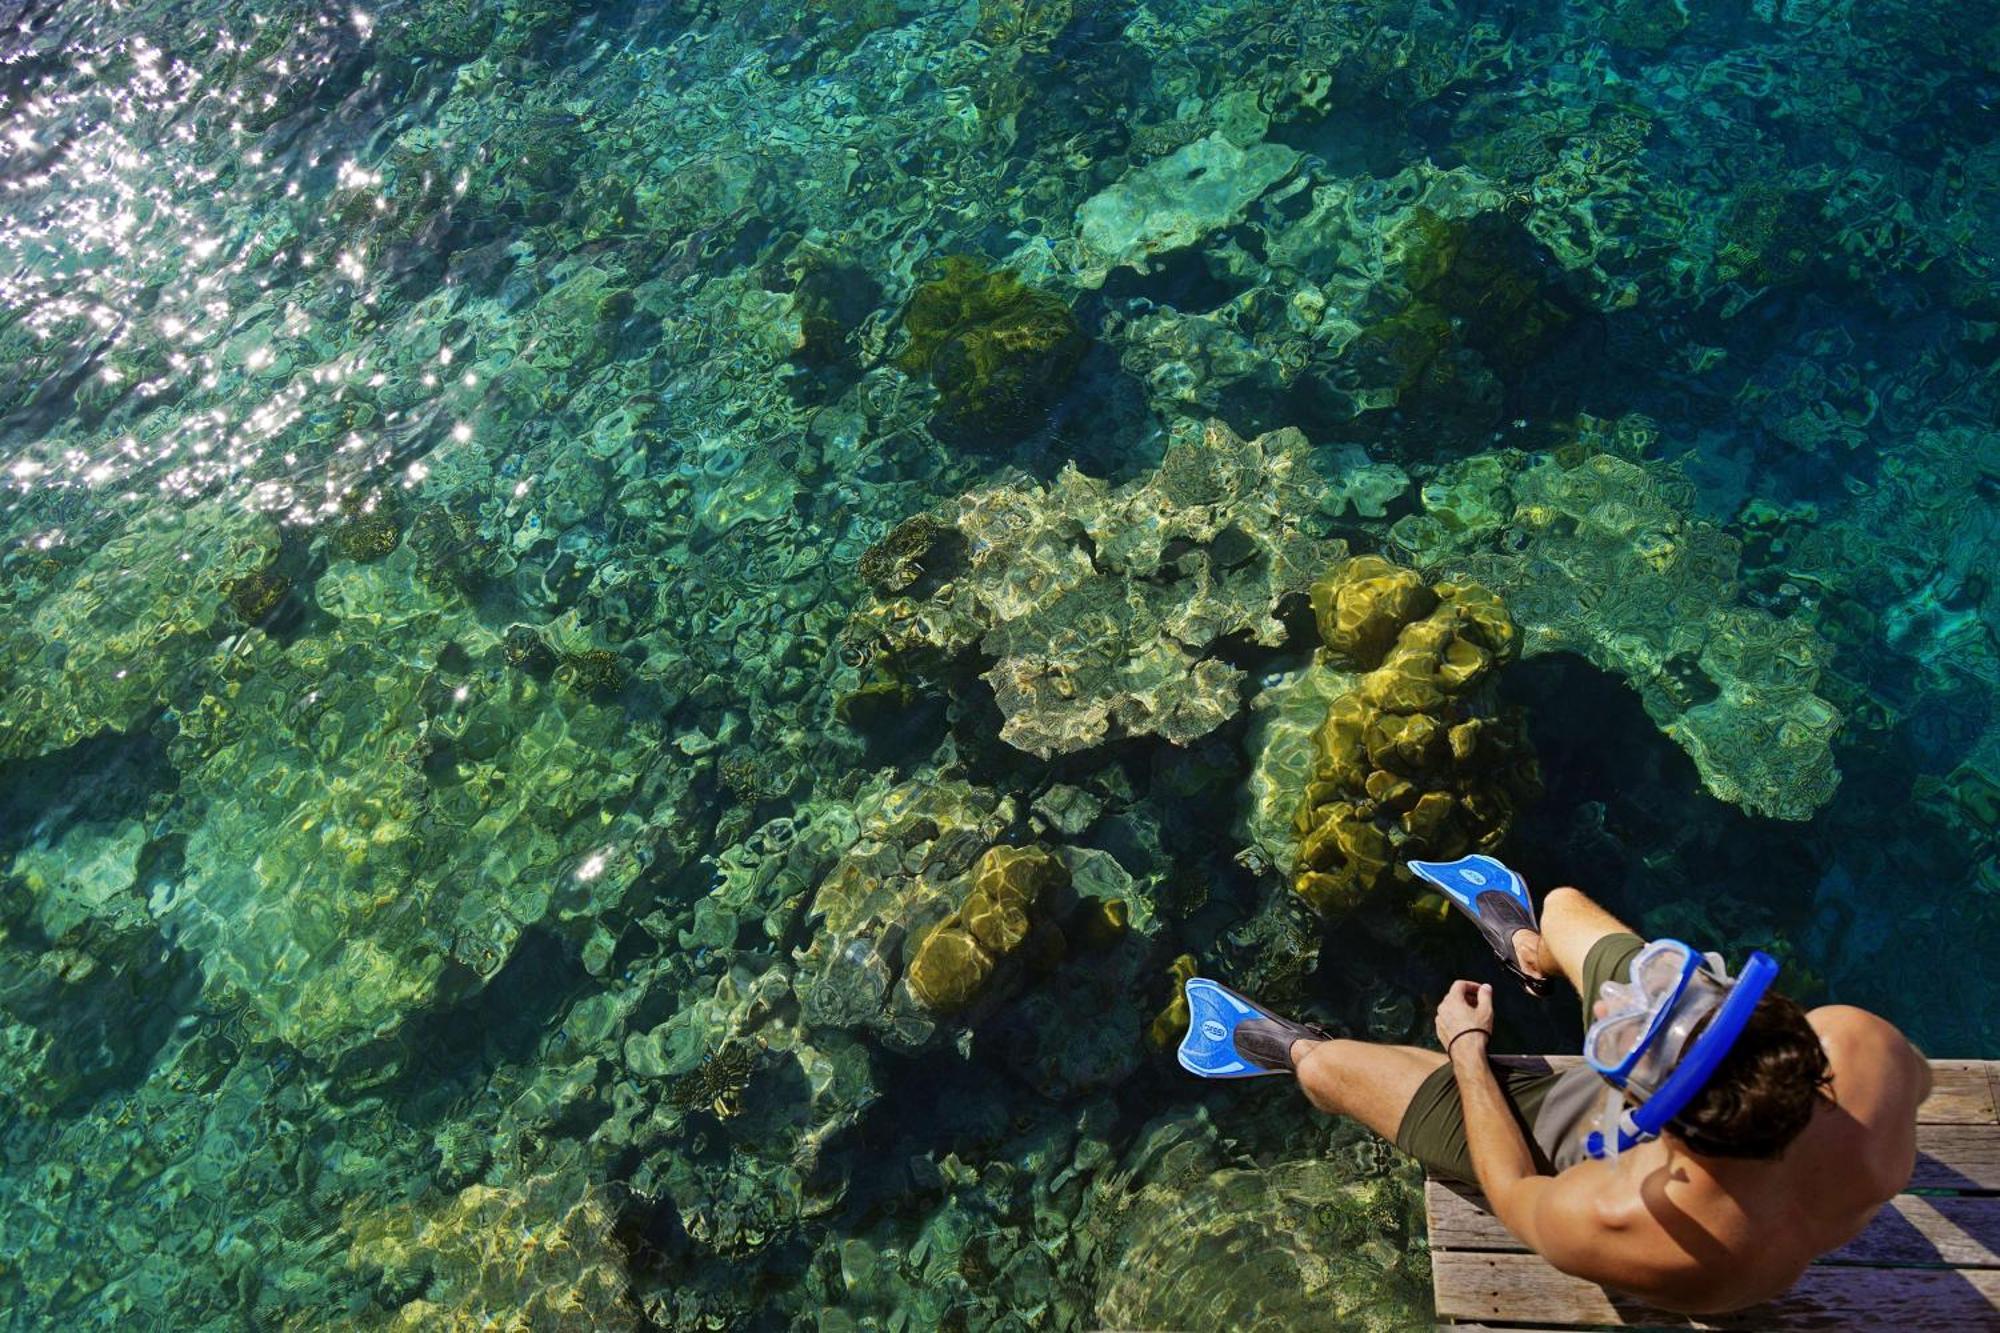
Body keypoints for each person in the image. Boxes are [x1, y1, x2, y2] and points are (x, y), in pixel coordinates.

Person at [1176, 856, 1930, 1315]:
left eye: (1618, 1040)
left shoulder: (1621, 1214)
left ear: (1654, 1122)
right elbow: (1918, 1085)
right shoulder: (1860, 1050)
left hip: (1597, 1145)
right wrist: (1666, 1036)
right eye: (1678, 988)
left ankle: (1290, 1047)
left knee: (1324, 1070)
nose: (1608, 1006)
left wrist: (1468, 1047)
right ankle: (1530, 950)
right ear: (1779, 1030)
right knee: (1564, 905)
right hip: (1725, 1110)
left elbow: (1511, 1187)